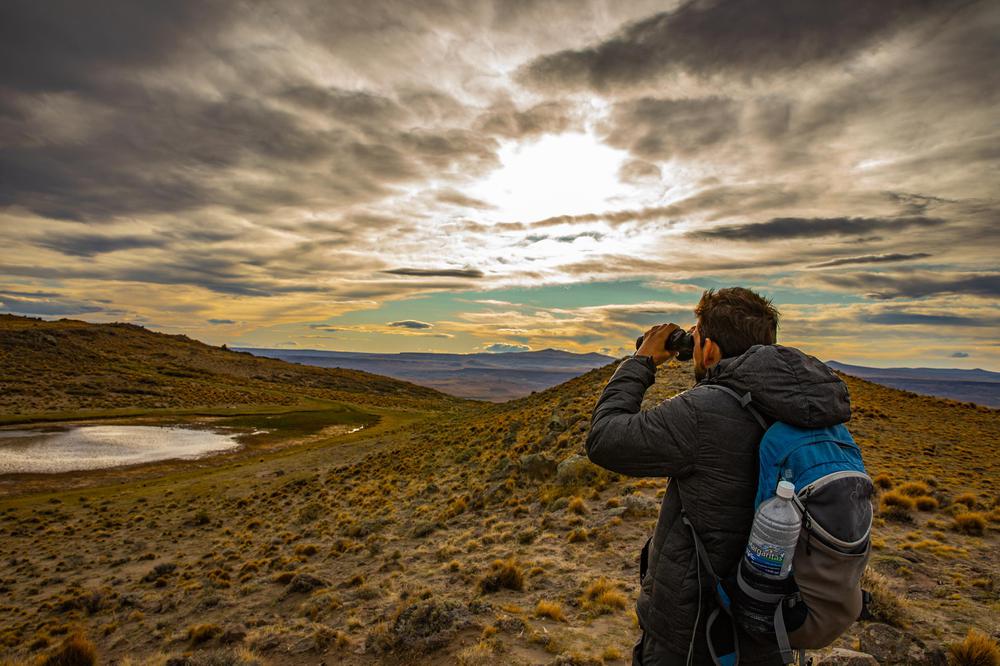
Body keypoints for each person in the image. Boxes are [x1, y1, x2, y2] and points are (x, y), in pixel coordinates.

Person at [585, 287, 852, 665]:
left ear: (709, 350)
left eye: (696, 340)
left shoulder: (706, 411)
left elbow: (604, 439)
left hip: (696, 638)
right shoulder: (808, 408)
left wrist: (641, 360)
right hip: (770, 624)